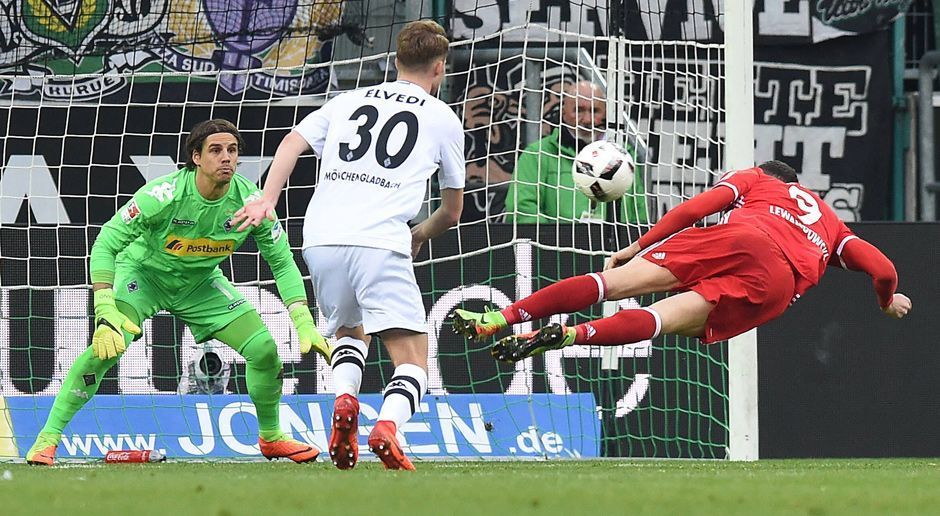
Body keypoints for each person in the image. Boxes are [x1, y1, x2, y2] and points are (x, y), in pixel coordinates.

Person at [25, 119, 331, 465]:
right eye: (215, 150)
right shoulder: (164, 195)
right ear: (196, 157)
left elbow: (283, 262)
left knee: (263, 349)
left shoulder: (252, 203)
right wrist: (104, 305)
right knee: (105, 349)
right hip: (143, 276)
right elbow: (106, 242)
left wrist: (304, 321)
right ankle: (46, 439)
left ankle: (272, 437)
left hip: (199, 284)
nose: (226, 158)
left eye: (232, 150)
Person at [233, 19, 464, 470]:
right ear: (439, 69)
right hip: (380, 239)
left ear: (395, 62)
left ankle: (344, 401)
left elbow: (292, 141)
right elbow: (452, 211)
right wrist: (420, 233)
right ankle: (388, 427)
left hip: (320, 237)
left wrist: (267, 198)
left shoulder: (348, 100)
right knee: (412, 358)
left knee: (347, 332)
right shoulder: (442, 118)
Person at [452, 160, 911, 361]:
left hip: (742, 238)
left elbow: (696, 210)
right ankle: (570, 334)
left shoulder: (758, 179)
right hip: (775, 285)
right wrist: (886, 301)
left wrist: (637, 246)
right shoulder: (831, 225)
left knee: (609, 284)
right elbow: (885, 271)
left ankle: (503, 316)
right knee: (659, 320)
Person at [504, 80, 648, 224]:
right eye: (578, 110)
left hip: (617, 246)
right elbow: (521, 209)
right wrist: (561, 241)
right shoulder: (537, 155)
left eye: (594, 111)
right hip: (558, 245)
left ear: (606, 113)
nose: (587, 119)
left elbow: (640, 214)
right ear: (563, 113)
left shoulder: (625, 158)